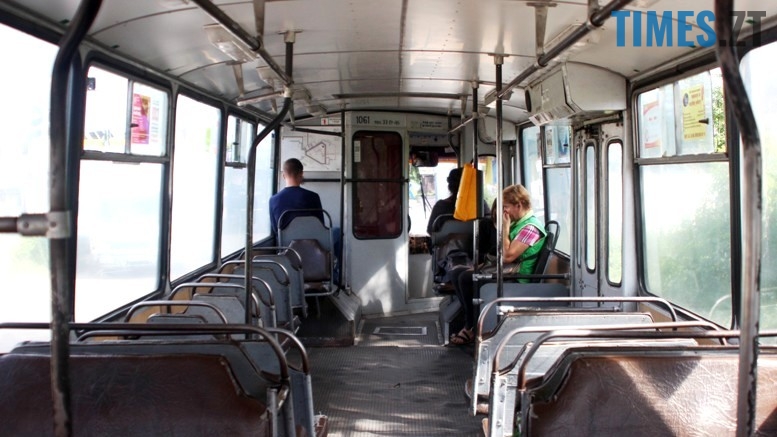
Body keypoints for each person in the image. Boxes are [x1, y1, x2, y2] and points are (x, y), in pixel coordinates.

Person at [448, 184, 546, 345]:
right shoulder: (519, 224)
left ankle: (470, 326)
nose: (503, 211)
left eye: (505, 207)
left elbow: (507, 256)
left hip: (518, 277)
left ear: (518, 205)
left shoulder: (530, 228)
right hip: (507, 270)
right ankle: (470, 321)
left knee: (466, 278)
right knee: (457, 273)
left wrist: (505, 229)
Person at [269, 158, 324, 236]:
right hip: (312, 240)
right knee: (336, 231)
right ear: (301, 174)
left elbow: (275, 229)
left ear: (283, 175)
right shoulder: (313, 196)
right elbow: (321, 225)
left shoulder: (273, 200)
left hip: (286, 242)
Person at [426, 167, 462, 235]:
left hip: (445, 242)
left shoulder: (440, 206)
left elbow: (430, 230)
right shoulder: (479, 207)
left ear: (450, 186)